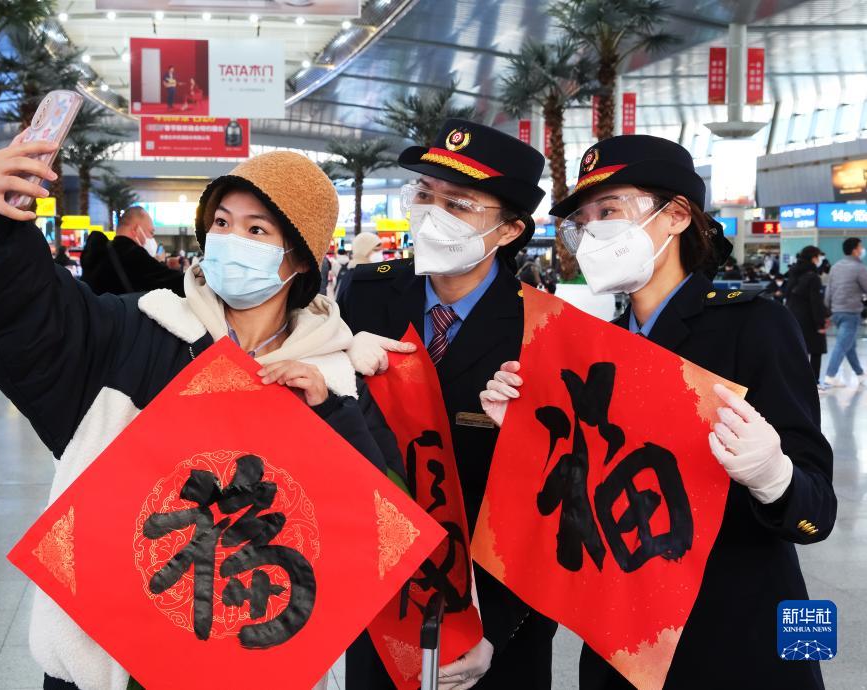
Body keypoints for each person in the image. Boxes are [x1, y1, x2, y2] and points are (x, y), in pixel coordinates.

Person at [0, 141, 406, 690]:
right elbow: (32, 321)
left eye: (257, 230)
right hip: (106, 666)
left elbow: (381, 528)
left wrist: (330, 414)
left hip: (255, 668)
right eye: (222, 223)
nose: (231, 240)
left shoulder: (335, 378)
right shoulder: (139, 332)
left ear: (301, 258)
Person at [479, 135, 836, 690]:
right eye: (582, 220)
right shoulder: (593, 349)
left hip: (732, 635)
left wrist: (774, 476)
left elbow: (817, 511)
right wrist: (530, 432)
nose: (591, 231)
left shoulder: (752, 326)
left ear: (675, 216)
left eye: (609, 211)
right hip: (622, 641)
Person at [339, 119, 557, 690]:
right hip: (382, 588)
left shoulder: (542, 329)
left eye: (458, 204)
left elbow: (550, 503)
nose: (432, 215)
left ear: (510, 230)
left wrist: (496, 625)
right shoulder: (366, 292)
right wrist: (336, 364)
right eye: (425, 196)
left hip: (492, 608)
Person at [80, 207, 186, 296]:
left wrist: (163, 263)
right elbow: (176, 283)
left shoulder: (100, 253)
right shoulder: (132, 254)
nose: (152, 238)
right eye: (151, 232)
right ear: (136, 230)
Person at [823, 236, 867, 387]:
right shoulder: (859, 267)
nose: (862, 250)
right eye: (860, 247)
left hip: (836, 311)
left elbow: (829, 290)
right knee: (842, 345)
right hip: (851, 312)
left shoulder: (836, 266)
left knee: (849, 346)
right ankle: (830, 375)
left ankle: (860, 374)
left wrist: (827, 310)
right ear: (855, 250)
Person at [786, 246, 829, 386]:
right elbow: (816, 302)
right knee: (816, 350)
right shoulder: (813, 277)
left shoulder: (794, 274)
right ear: (813, 258)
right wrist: (820, 323)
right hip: (810, 319)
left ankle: (797, 381)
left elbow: (788, 297)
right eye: (818, 256)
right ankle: (814, 382)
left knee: (799, 351)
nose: (820, 259)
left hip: (794, 318)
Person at [334, 232, 383, 303]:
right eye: (376, 250)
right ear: (363, 251)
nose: (379, 254)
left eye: (380, 250)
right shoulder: (354, 277)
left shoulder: (372, 273)